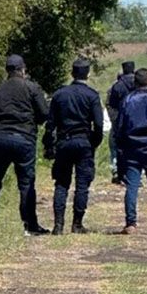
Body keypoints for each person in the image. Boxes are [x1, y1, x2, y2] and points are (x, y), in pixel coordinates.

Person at [0, 54, 52, 235]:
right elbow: (44, 113)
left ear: (7, 70)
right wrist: (34, 123)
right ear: (23, 69)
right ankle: (30, 225)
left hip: (1, 138)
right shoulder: (31, 88)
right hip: (25, 138)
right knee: (26, 183)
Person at [42, 58, 105, 235]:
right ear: (88, 74)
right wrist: (94, 142)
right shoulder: (92, 95)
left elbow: (50, 124)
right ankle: (77, 223)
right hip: (84, 141)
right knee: (82, 184)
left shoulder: (60, 94)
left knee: (61, 183)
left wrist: (49, 145)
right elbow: (98, 124)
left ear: (72, 73)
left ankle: (58, 225)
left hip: (64, 142)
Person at [115, 68, 147, 235]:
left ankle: (131, 223)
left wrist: (121, 146)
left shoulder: (127, 100)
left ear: (135, 83)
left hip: (132, 149)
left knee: (132, 186)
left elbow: (120, 127)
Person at [106, 61, 136, 185]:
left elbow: (111, 105)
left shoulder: (117, 86)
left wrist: (115, 120)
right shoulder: (139, 84)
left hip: (120, 121)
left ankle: (118, 172)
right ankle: (135, 174)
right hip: (136, 121)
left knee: (116, 147)